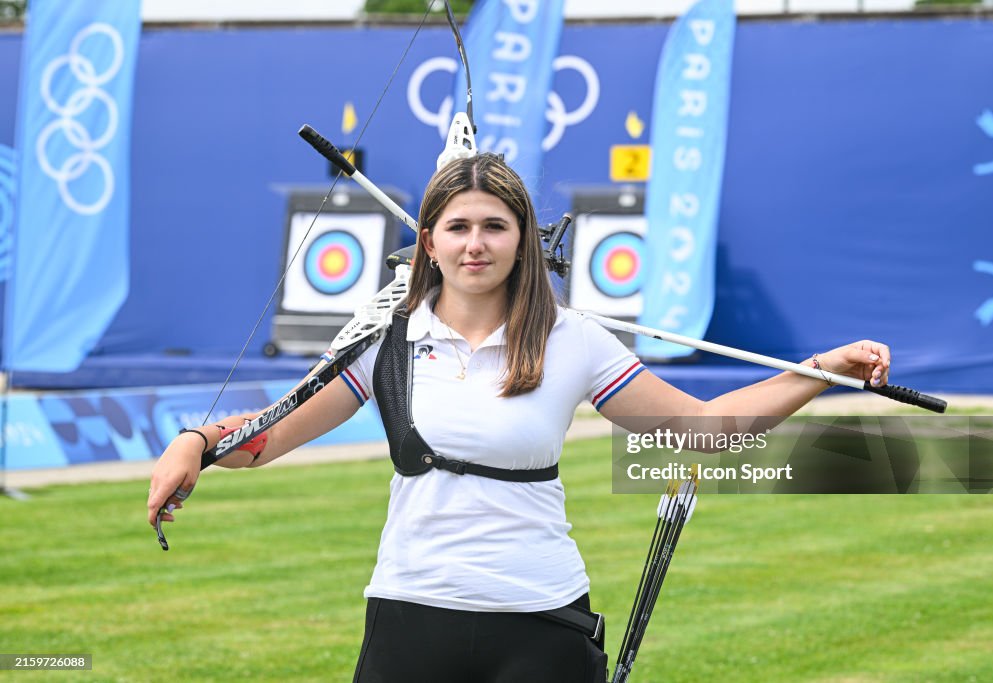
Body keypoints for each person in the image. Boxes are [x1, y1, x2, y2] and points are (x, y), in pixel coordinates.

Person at [147, 153, 891, 682]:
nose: (476, 243)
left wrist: (821, 368)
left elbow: (706, 429)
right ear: (429, 241)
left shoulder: (573, 340)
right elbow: (269, 433)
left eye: (496, 226)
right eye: (459, 225)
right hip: (412, 613)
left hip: (540, 621)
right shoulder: (385, 342)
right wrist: (196, 440)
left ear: (523, 238)